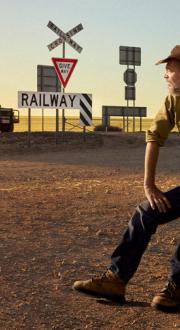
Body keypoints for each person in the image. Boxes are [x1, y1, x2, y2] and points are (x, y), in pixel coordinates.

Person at [73, 45, 180, 311]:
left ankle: (177, 287)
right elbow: (154, 138)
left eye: (170, 69)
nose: (165, 75)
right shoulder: (173, 101)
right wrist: (149, 185)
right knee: (147, 210)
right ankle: (116, 280)